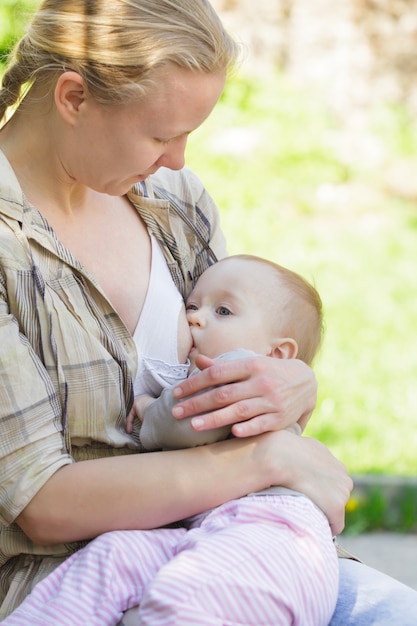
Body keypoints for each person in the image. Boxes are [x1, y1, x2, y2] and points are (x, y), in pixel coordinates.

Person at [0, 1, 412, 625]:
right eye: (162, 134)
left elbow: (234, 360)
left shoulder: (173, 201)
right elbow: (40, 502)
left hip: (229, 556)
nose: (179, 159)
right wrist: (266, 460)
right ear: (74, 98)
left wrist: (291, 385)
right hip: (74, 588)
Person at [2, 254, 340, 625]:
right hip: (211, 528)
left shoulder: (242, 372)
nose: (195, 316)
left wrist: (150, 409)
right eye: (192, 305)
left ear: (277, 354)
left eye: (223, 311)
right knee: (111, 556)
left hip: (270, 533)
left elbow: (185, 423)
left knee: (182, 599)